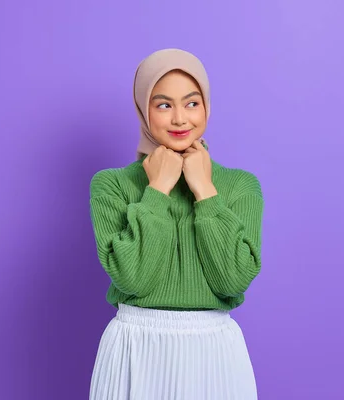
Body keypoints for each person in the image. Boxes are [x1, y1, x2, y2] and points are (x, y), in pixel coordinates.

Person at [88, 48, 263, 400]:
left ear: (207, 107)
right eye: (164, 104)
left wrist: (205, 191)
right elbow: (133, 278)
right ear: (143, 110)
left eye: (192, 103)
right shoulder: (111, 185)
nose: (180, 119)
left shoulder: (240, 185)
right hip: (135, 348)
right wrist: (157, 189)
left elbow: (232, 280)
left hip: (215, 353)